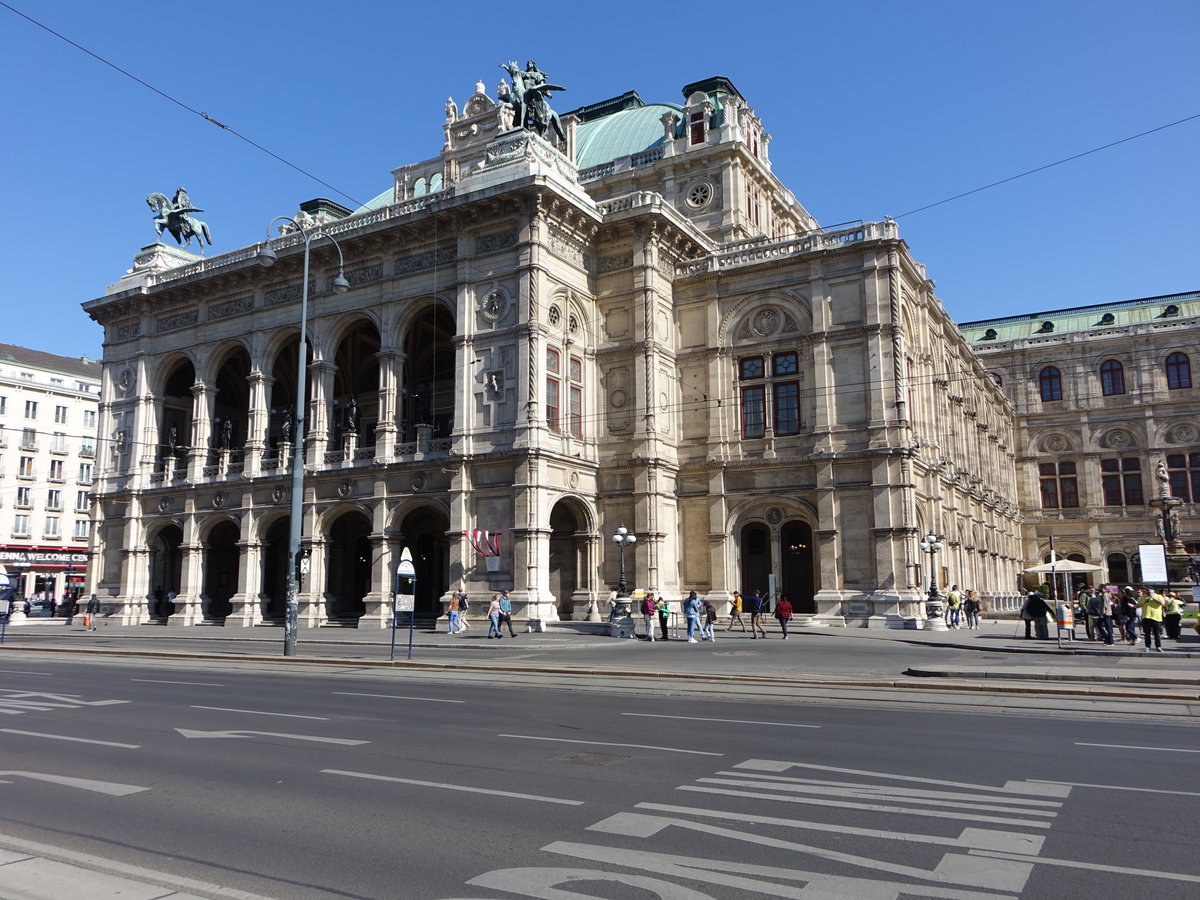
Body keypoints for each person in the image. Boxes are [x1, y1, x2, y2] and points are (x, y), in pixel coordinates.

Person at [1139, 588, 1166, 652]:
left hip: (1156, 618)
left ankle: (1158, 646)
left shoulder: (1158, 596)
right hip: (1146, 617)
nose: (1147, 592)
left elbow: (1162, 604)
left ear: (1152, 591)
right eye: (1146, 591)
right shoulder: (1143, 597)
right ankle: (1147, 647)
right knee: (1147, 633)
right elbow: (1139, 605)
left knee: (1157, 634)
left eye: (1148, 591)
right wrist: (1133, 606)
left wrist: (1153, 598)